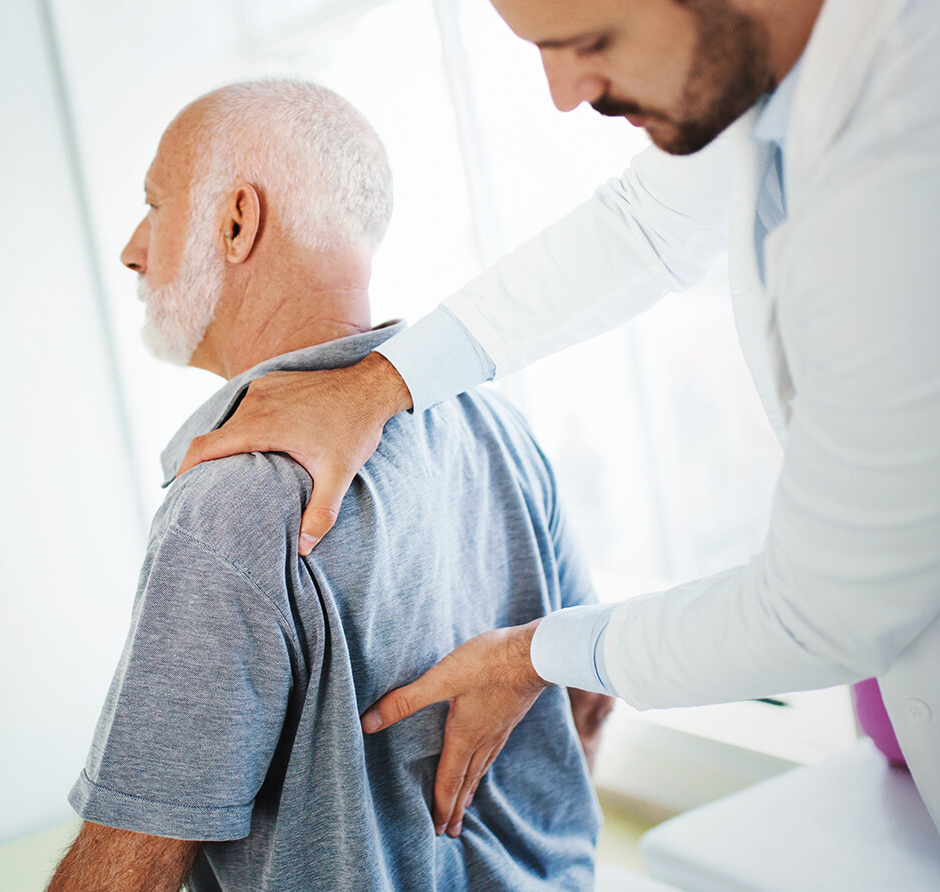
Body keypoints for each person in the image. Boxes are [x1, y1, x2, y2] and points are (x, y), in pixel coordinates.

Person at [173, 0, 940, 869]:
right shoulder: (777, 87)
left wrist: (537, 655)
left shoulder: (909, 157)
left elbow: (822, 611)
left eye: (590, 42)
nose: (563, 93)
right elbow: (648, 224)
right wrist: (383, 380)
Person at [48, 78, 612, 892]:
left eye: (156, 206)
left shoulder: (233, 503)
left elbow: (125, 875)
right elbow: (589, 700)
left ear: (236, 222)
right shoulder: (496, 427)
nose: (134, 247)